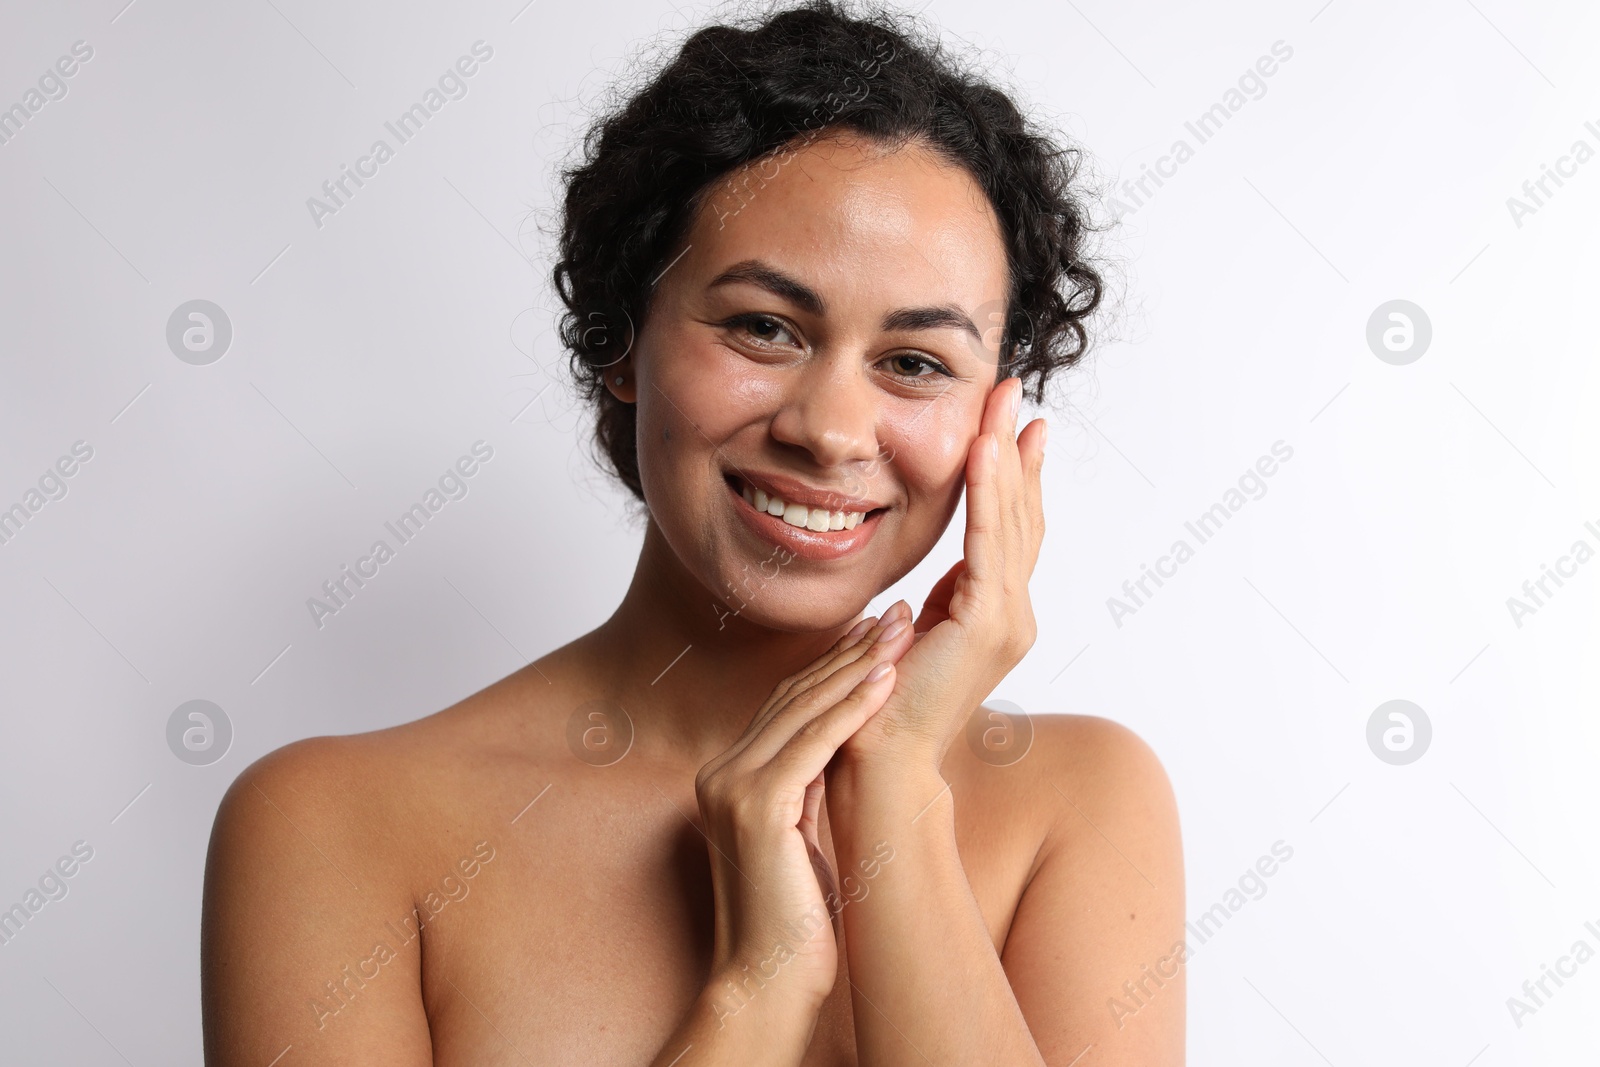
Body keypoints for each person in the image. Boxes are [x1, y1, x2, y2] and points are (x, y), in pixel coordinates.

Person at [200, 3, 1183, 1064]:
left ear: (993, 416)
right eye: (764, 326)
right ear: (624, 336)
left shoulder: (1081, 802)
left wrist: (892, 786)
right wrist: (752, 994)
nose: (829, 429)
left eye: (914, 363)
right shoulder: (331, 826)